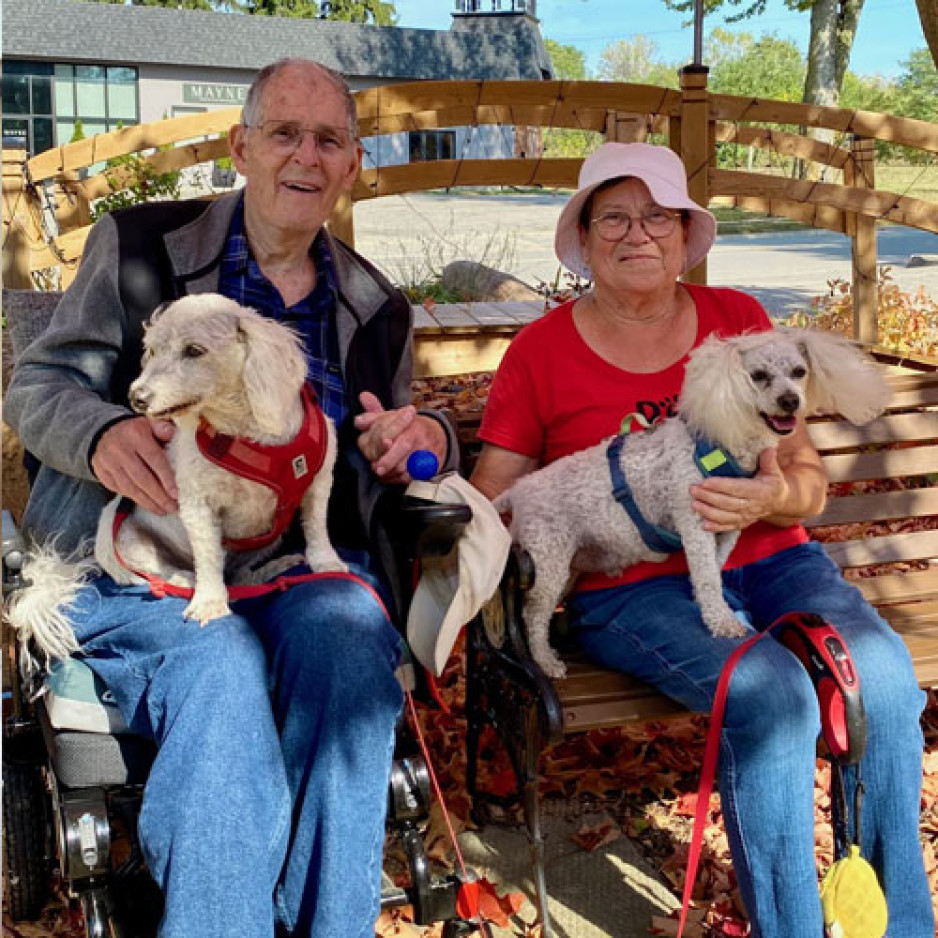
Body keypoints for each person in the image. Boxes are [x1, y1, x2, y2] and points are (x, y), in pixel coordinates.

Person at [5, 59, 457, 938]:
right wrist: (101, 435)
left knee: (349, 646)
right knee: (223, 671)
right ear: (241, 147)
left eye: (328, 139)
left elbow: (382, 447)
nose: (306, 155)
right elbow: (36, 385)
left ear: (352, 164)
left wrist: (428, 437)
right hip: (144, 559)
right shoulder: (139, 250)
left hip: (295, 564)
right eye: (284, 132)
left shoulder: (376, 309)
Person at [470, 142, 933, 938]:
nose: (637, 233)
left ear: (687, 236)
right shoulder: (539, 351)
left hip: (774, 557)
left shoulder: (739, 322)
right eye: (613, 215)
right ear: (582, 237)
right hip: (632, 589)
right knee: (772, 696)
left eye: (659, 216)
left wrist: (768, 498)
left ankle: (895, 928)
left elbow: (808, 486)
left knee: (887, 682)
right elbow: (491, 503)